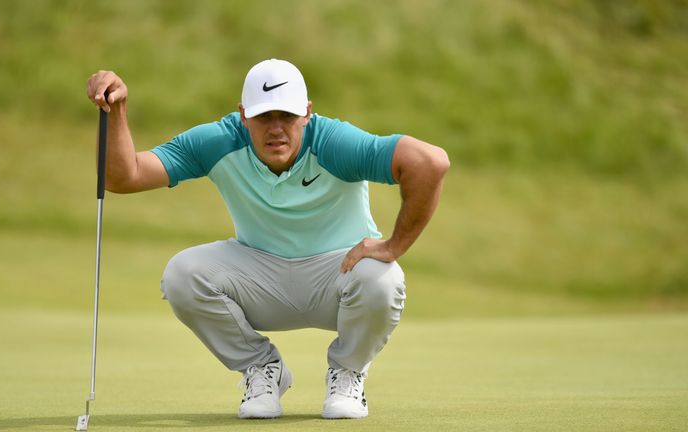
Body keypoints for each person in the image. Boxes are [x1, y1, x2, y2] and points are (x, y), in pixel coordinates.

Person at [86, 59, 450, 420]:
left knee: (382, 277)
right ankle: (262, 370)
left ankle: (348, 372)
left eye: (287, 116)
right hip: (260, 277)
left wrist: (392, 247)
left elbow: (429, 163)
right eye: (264, 117)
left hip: (339, 276)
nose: (276, 129)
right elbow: (124, 177)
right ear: (243, 115)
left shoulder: (335, 143)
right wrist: (117, 110)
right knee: (182, 274)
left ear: (307, 113)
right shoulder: (219, 141)